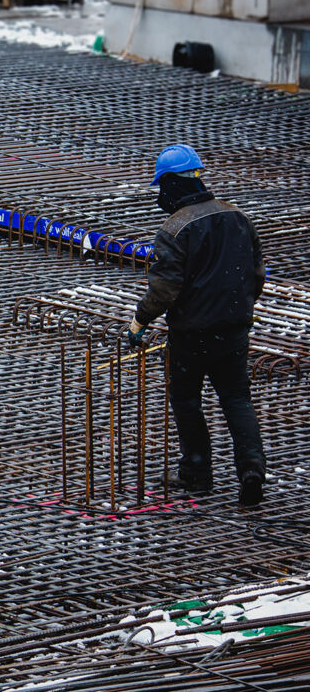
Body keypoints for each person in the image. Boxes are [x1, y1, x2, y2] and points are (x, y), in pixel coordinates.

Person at [128, 144, 267, 507]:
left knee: (187, 400)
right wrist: (238, 309)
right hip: (234, 330)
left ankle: (196, 473)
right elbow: (257, 273)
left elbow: (165, 289)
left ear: (172, 184)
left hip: (191, 334)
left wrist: (139, 321)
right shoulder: (237, 216)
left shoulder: (175, 228)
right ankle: (252, 468)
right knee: (236, 398)